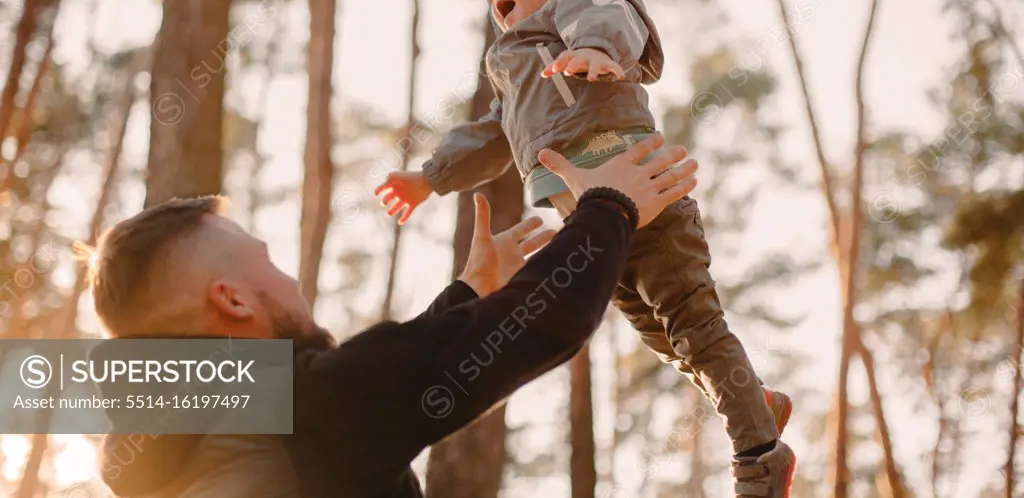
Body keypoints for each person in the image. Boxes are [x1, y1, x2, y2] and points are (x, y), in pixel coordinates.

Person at [373, 0, 796, 497]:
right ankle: (752, 400)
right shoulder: (513, 63)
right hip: (598, 224)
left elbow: (606, 19)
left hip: (643, 192)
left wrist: (596, 50)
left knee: (693, 322)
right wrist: (430, 177)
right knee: (664, 337)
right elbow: (490, 134)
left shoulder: (583, 4)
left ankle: (760, 457)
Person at [84, 134, 697, 498]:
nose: (292, 278)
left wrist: (468, 292)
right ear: (234, 300)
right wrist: (610, 206)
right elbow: (543, 320)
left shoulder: (187, 446)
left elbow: (380, 387)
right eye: (268, 263)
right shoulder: (301, 405)